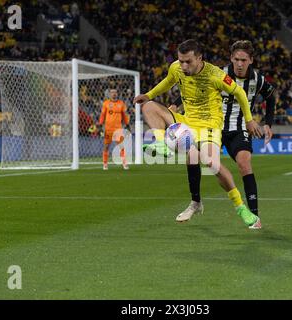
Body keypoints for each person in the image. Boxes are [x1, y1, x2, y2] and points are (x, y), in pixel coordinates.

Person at [133, 39, 263, 228]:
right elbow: (168, 82)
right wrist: (149, 95)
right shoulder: (176, 67)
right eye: (181, 61)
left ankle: (241, 208)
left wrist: (249, 119)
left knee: (211, 162)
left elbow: (241, 94)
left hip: (209, 125)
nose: (183, 66)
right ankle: (162, 143)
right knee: (149, 107)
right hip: (187, 121)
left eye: (188, 62)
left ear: (199, 58)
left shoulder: (216, 75)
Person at [170, 40, 276, 229]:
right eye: (236, 59)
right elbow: (193, 88)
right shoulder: (219, 73)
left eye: (244, 60)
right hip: (213, 125)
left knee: (244, 163)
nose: (240, 64)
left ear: (251, 60)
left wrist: (268, 122)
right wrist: (176, 105)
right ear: (231, 59)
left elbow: (270, 96)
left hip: (239, 128)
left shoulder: (258, 80)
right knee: (193, 156)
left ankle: (254, 216)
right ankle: (195, 201)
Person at [98, 88, 130, 170]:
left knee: (122, 146)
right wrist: (100, 125)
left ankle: (124, 164)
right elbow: (102, 115)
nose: (114, 94)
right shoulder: (106, 104)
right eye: (112, 92)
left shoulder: (121, 104)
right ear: (109, 94)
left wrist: (127, 124)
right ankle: (105, 164)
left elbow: (124, 116)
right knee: (106, 146)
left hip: (118, 129)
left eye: (115, 92)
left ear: (117, 94)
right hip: (108, 129)